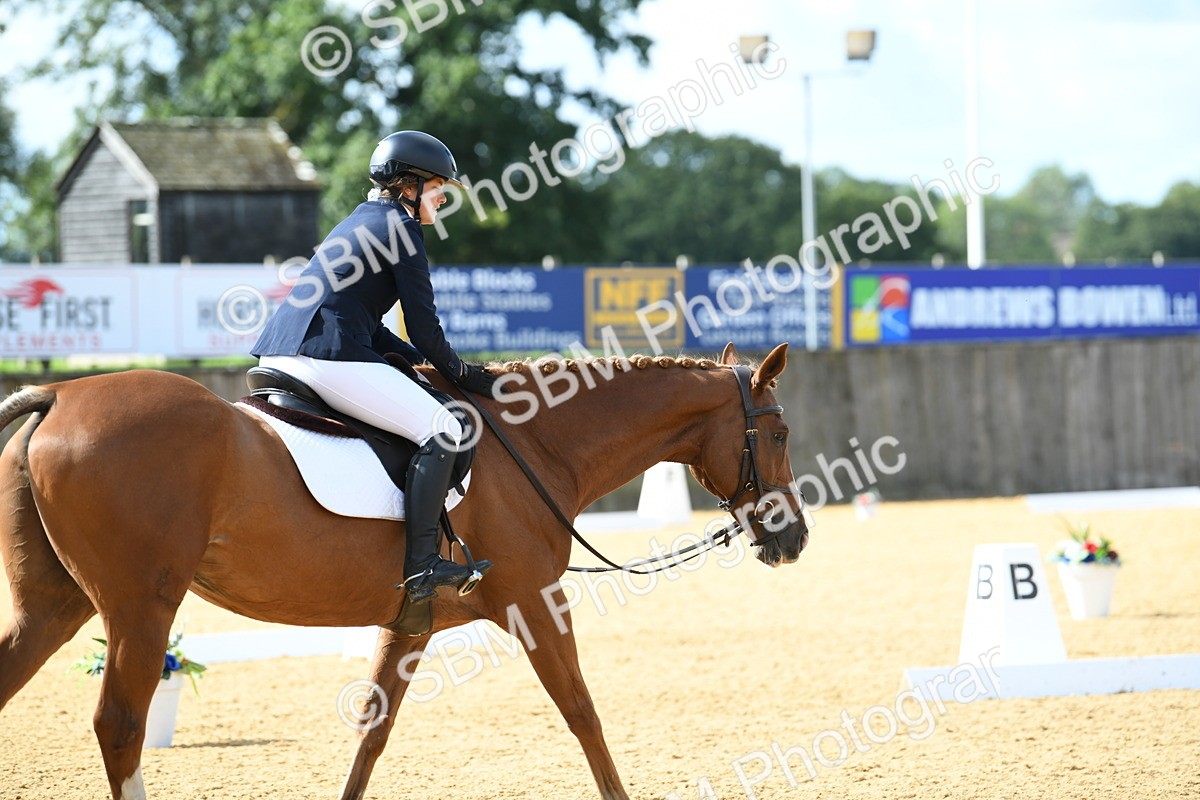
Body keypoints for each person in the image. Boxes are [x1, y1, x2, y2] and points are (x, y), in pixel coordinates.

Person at [251, 130, 495, 604]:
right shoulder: (404, 230)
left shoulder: (359, 221)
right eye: (439, 186)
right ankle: (423, 565)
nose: (444, 197)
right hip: (323, 354)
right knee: (445, 428)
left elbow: (369, 325)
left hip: (284, 348)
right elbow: (424, 329)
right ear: (409, 186)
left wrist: (415, 362)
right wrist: (461, 374)